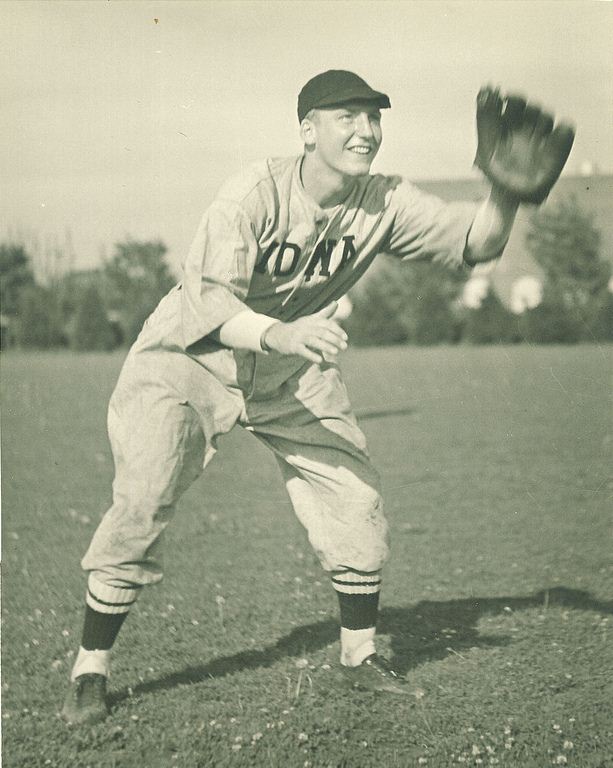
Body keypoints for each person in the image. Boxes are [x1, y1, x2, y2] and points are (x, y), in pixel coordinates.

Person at [61, 69, 524, 726]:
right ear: (307, 130)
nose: (365, 130)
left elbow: (477, 242)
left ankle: (359, 658)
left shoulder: (382, 200)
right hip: (188, 358)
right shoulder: (251, 193)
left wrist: (503, 193)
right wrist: (281, 334)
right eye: (348, 117)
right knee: (142, 500)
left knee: (354, 497)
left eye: (373, 118)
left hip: (288, 366)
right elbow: (211, 303)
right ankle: (89, 668)